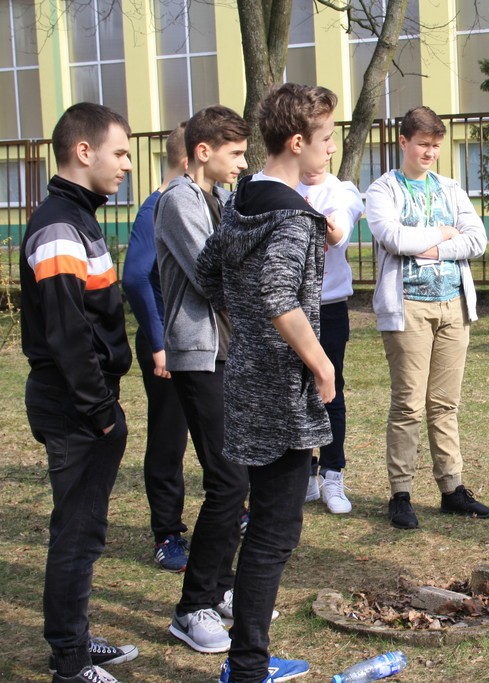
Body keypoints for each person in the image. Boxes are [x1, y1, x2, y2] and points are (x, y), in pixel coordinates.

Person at [196, 82, 341, 683]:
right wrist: (321, 363)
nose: (331, 149)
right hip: (280, 391)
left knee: (264, 524)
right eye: (327, 138)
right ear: (297, 142)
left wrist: (247, 330)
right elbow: (280, 295)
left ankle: (246, 661)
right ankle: (248, 667)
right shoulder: (291, 217)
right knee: (274, 533)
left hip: (246, 378)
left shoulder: (243, 200)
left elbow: (209, 271)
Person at [21, 102, 139, 683]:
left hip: (85, 403)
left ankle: (76, 636)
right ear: (83, 151)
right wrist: (100, 413)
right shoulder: (59, 227)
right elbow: (67, 334)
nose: (127, 165)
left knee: (85, 531)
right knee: (76, 534)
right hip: (74, 406)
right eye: (120, 153)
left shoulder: (78, 218)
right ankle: (69, 662)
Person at [364, 105, 489, 530]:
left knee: (445, 403)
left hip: (453, 306)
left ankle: (451, 488)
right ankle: (400, 493)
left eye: (436, 146)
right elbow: (393, 237)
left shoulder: (450, 189)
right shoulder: (383, 190)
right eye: (423, 144)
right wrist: (443, 233)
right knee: (408, 404)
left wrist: (434, 249)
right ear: (403, 142)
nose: (430, 153)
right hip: (408, 308)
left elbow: (477, 240)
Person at [155, 105, 251, 653]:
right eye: (235, 154)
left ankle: (218, 588)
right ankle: (191, 607)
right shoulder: (178, 201)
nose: (241, 164)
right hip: (198, 356)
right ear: (203, 151)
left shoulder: (215, 199)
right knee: (227, 482)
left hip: (226, 353)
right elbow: (212, 275)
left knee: (236, 480)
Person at [122, 122, 192, 572]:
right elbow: (134, 278)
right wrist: (158, 340)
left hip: (202, 344)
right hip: (168, 346)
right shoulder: (157, 207)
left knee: (217, 433)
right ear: (191, 159)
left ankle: (236, 511)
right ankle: (167, 533)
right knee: (169, 438)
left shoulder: (199, 203)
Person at [297, 169, 364, 514]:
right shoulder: (275, 184)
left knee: (330, 388)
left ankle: (332, 472)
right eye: (319, 144)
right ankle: (304, 473)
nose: (327, 150)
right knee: (294, 391)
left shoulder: (342, 191)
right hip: (290, 307)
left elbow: (337, 236)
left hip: (329, 306)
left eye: (328, 145)